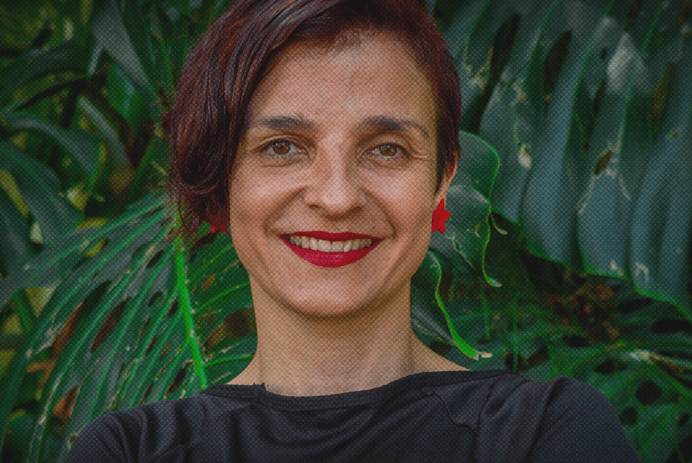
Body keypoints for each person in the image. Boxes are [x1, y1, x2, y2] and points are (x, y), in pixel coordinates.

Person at [66, 0, 641, 461]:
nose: (337, 198)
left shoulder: (544, 432)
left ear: (442, 180)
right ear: (220, 179)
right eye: (283, 147)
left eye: (387, 149)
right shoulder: (130, 452)